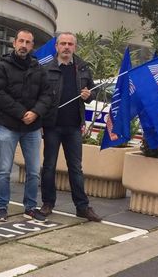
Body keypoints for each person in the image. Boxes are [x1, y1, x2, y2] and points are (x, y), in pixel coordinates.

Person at [40, 32, 102, 222]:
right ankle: (48, 203)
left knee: (76, 168)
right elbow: (38, 95)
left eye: (70, 44)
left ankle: (82, 207)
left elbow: (93, 91)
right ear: (57, 47)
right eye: (63, 44)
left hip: (74, 126)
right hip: (52, 125)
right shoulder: (46, 68)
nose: (66, 47)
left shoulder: (83, 68)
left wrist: (88, 95)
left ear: (75, 47)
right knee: (49, 166)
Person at [0, 29, 52, 222]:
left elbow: (47, 95)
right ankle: (1, 206)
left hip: (32, 127)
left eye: (28, 42)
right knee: (4, 170)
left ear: (32, 46)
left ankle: (30, 207)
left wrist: (35, 113)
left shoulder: (39, 69)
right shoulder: (2, 66)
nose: (24, 45)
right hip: (7, 125)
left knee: (34, 171)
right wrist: (21, 113)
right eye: (21, 41)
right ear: (14, 43)